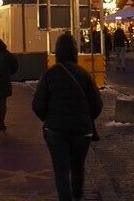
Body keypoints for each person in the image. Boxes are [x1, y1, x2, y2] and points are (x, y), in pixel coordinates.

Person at [32, 33, 103, 201]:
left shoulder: (50, 74)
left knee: (61, 171)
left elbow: (37, 105)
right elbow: (97, 105)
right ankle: (77, 196)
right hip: (81, 131)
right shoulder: (85, 75)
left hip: (55, 131)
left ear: (58, 52)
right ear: (74, 52)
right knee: (78, 167)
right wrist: (85, 117)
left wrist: (50, 119)